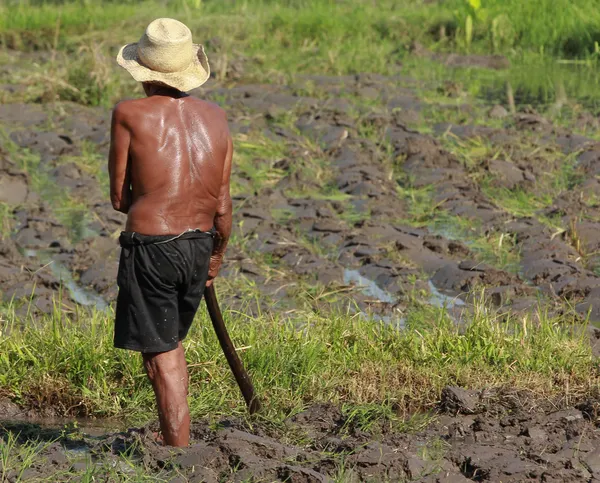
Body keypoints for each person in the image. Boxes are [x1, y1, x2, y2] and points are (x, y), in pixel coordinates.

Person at [109, 18, 232, 447]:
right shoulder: (216, 118)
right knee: (163, 343)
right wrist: (214, 260)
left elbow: (119, 197)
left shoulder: (128, 113)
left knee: (164, 355)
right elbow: (223, 207)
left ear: (144, 73)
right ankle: (170, 436)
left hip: (152, 247)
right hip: (199, 247)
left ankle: (179, 454)